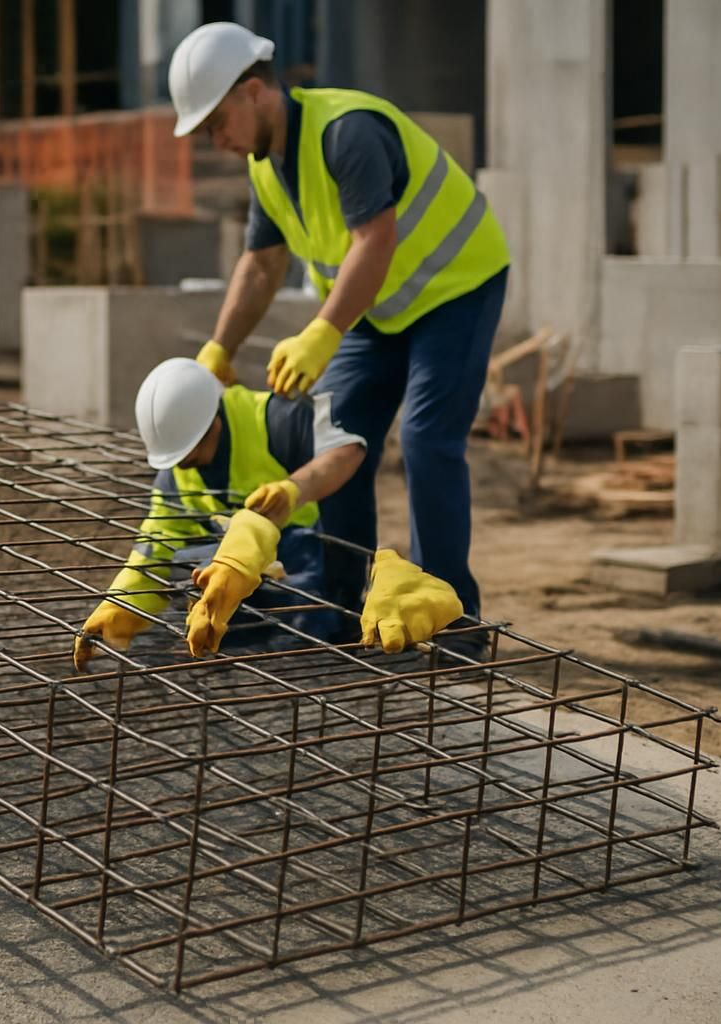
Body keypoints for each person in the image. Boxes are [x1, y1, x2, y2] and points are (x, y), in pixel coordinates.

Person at [167, 22, 510, 656]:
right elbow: (262, 265)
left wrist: (322, 333)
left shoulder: (345, 131)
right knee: (340, 435)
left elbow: (374, 240)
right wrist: (218, 350)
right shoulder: (266, 167)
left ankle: (452, 620)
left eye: (216, 122)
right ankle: (346, 609)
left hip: (457, 290)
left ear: (253, 92)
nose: (215, 140)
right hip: (378, 313)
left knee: (429, 442)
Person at [73, 357, 366, 669]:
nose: (183, 464)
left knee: (297, 590)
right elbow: (156, 546)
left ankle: (314, 638)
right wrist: (122, 603)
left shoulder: (276, 418)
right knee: (188, 565)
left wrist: (294, 489)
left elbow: (349, 450)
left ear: (213, 421)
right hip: (233, 565)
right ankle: (236, 643)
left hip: (297, 562)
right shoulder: (175, 469)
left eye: (189, 452)